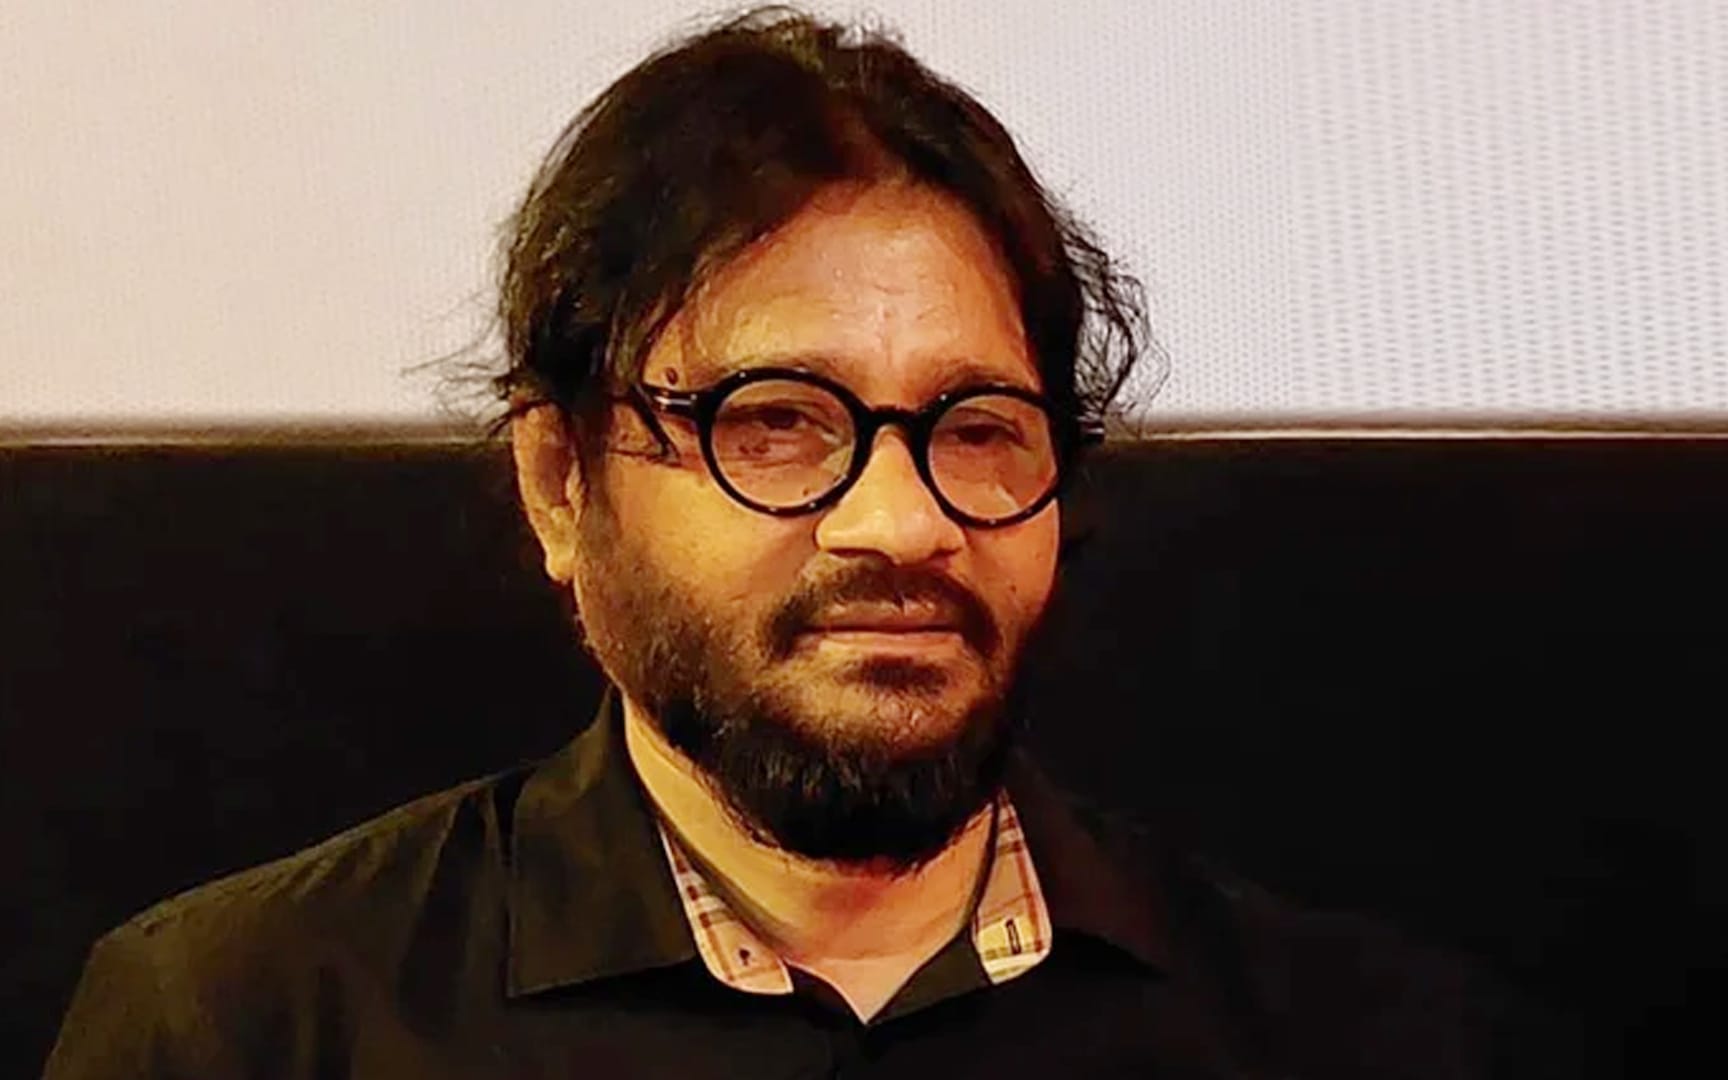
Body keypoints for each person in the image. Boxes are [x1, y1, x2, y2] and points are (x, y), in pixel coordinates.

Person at [43, 7, 1574, 1077]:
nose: (901, 523)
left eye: (977, 428)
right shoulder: (247, 1024)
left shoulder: (1372, 1039)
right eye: (775, 424)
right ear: (561, 483)